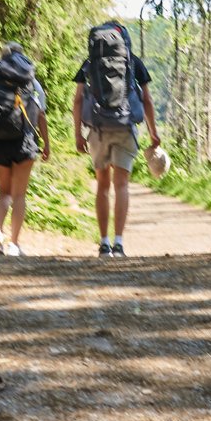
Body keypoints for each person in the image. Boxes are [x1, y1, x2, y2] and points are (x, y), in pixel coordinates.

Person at [72, 19, 160, 257]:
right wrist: (153, 133)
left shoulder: (90, 63)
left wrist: (78, 133)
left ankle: (104, 244)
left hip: (98, 129)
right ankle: (119, 243)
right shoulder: (134, 62)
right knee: (121, 185)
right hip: (125, 127)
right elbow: (147, 101)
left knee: (102, 185)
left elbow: (78, 99)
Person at [0, 43, 50, 256]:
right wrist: (46, 144)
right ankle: (14, 244)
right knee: (19, 195)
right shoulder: (31, 81)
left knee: (3, 193)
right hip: (24, 142)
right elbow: (41, 115)